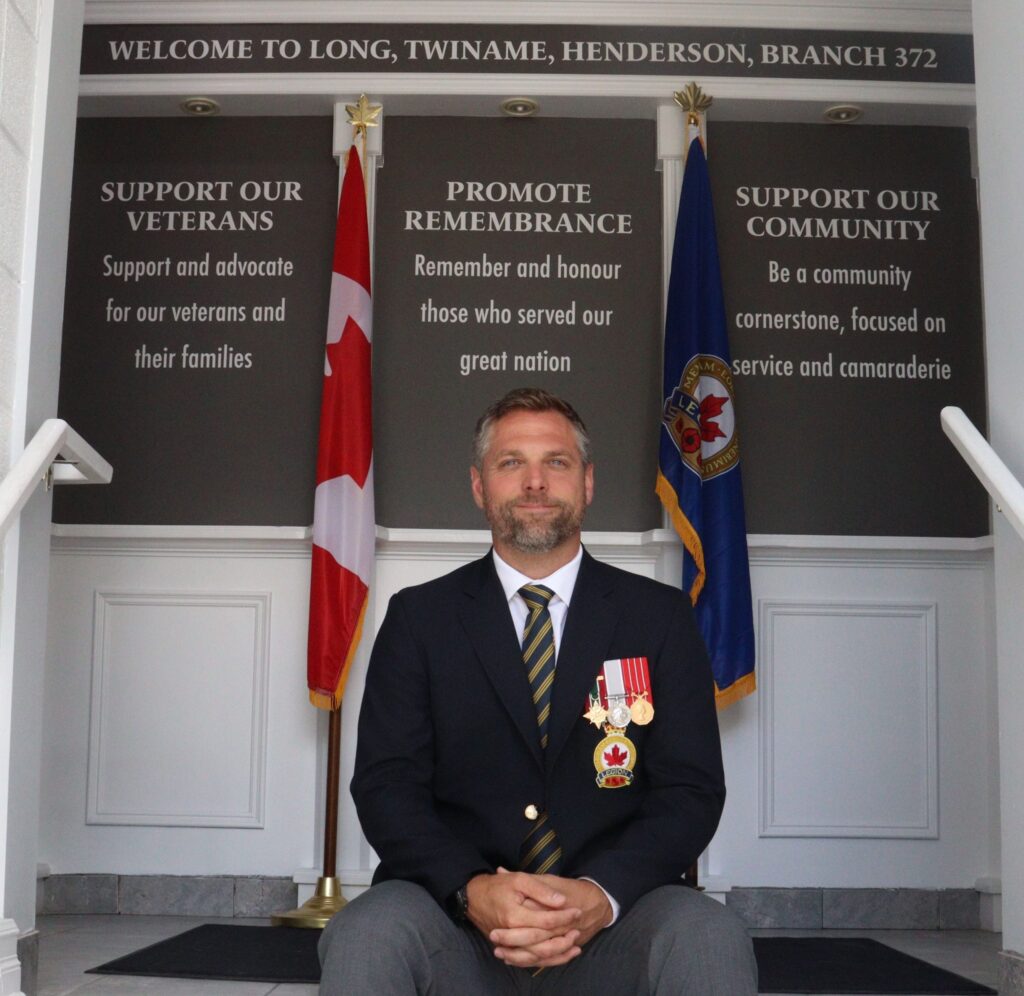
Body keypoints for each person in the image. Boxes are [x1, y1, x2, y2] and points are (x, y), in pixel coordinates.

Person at [318, 387, 757, 994]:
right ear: (479, 486)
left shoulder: (659, 617)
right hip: (456, 923)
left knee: (711, 936)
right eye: (510, 463)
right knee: (363, 933)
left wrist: (598, 896)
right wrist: (474, 889)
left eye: (555, 462)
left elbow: (691, 789)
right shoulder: (420, 618)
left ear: (587, 483)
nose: (534, 482)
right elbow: (386, 786)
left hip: (614, 924)